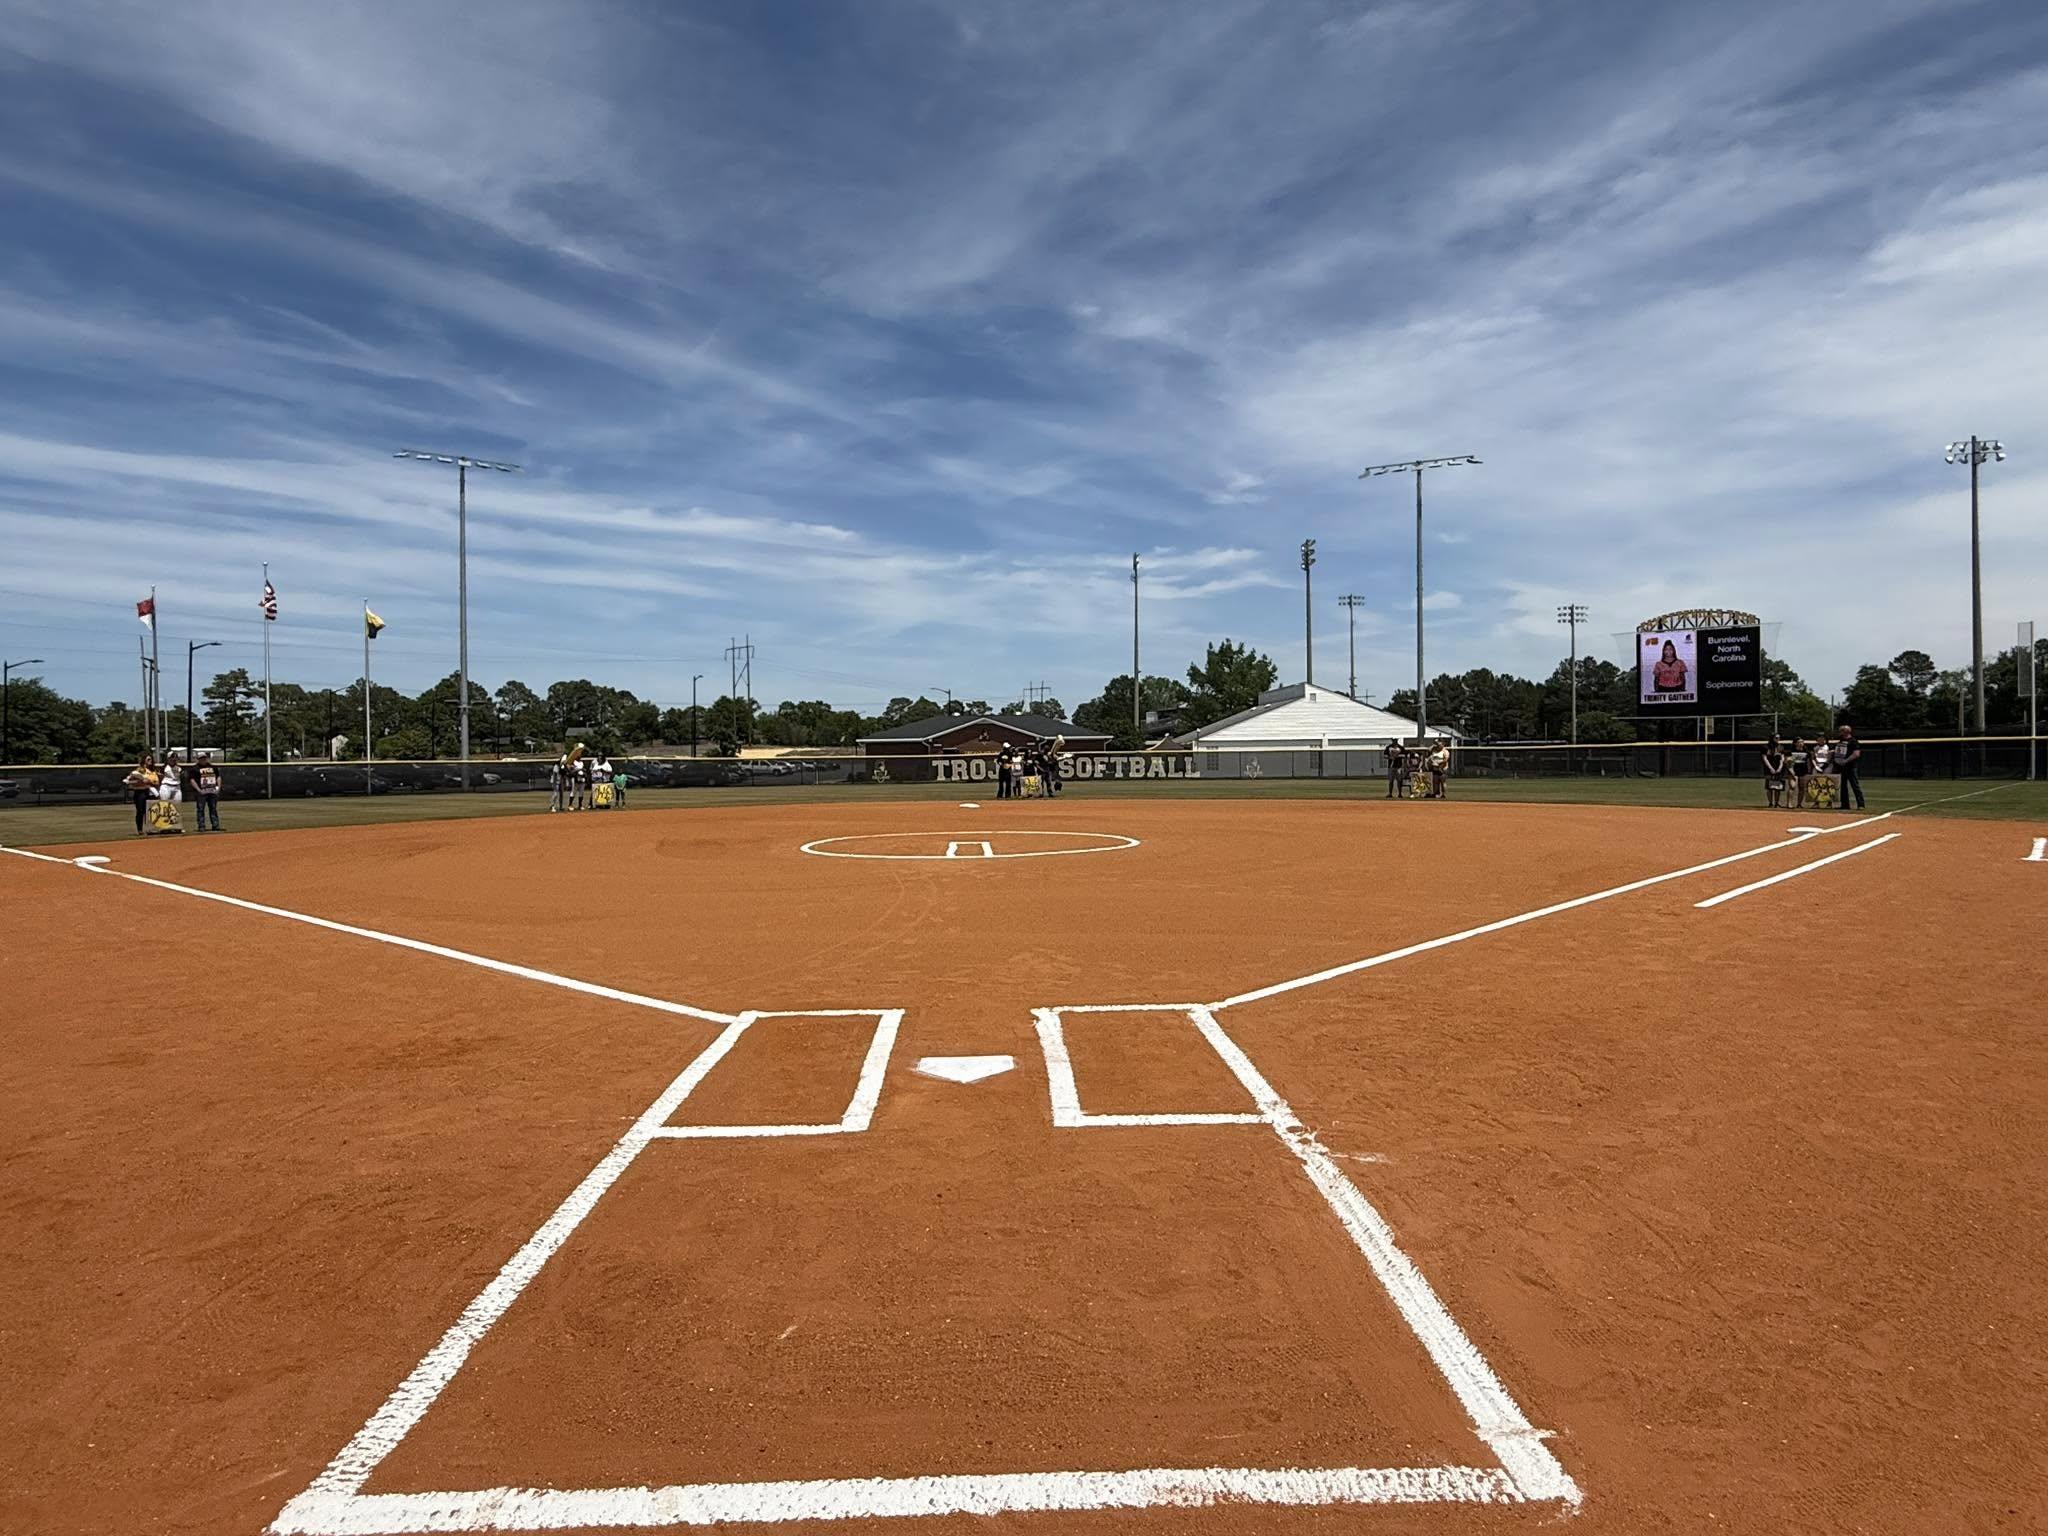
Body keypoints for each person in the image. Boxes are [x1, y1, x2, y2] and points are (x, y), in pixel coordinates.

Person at [122, 752, 160, 836]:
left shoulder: (152, 770)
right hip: (139, 792)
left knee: (150, 811)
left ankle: (150, 829)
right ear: (144, 760)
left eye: (151, 759)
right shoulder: (140, 770)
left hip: (149, 792)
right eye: (148, 759)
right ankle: (140, 830)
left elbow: (156, 782)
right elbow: (131, 781)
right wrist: (140, 781)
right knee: (140, 811)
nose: (150, 761)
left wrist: (149, 781)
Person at [1834, 724, 1865, 811]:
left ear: (1846, 732)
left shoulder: (1853, 741)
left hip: (1851, 767)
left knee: (1855, 785)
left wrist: (1846, 761)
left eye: (1841, 731)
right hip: (1842, 767)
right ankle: (1844, 805)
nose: (1840, 733)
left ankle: (1861, 804)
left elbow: (1856, 754)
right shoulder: (1840, 741)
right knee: (1843, 786)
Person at [189, 752, 222, 832]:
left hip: (212, 791)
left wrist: (218, 788)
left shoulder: (213, 767)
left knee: (213, 808)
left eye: (204, 758)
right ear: (198, 759)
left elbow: (218, 777)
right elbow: (192, 780)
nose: (203, 759)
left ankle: (215, 825)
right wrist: (198, 790)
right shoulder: (195, 768)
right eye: (201, 758)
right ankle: (201, 826)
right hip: (201, 792)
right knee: (200, 809)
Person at [1761, 735, 1789, 809]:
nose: (1778, 739)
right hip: (1769, 769)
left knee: (1778, 787)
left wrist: (1780, 767)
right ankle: (1770, 803)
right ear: (1772, 738)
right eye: (1776, 738)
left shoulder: (1781, 747)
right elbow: (1765, 758)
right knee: (1769, 787)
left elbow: (1782, 758)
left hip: (1779, 769)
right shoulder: (1766, 747)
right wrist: (1770, 768)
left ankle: (1777, 803)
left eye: (1779, 738)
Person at [1789, 736, 1812, 808]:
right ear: (1795, 743)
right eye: (1799, 742)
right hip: (1793, 770)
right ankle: (1789, 803)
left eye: (1802, 742)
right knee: (1792, 786)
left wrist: (1809, 771)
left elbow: (1809, 762)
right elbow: (1788, 762)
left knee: (1802, 788)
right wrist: (1791, 771)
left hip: (1803, 771)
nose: (1801, 743)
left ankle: (1799, 804)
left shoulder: (1806, 752)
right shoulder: (1790, 751)